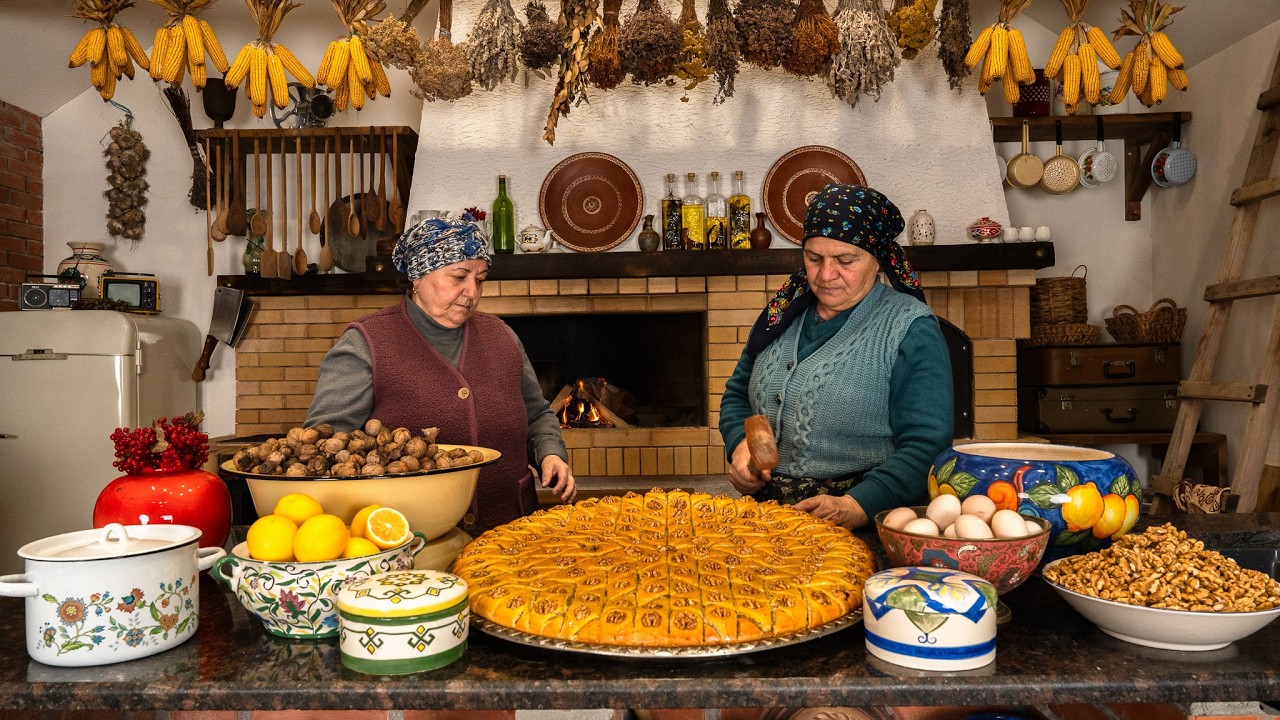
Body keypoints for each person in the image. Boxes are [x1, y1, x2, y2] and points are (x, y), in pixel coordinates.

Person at [306, 214, 576, 535]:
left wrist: (550, 454)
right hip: (411, 537)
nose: (472, 292)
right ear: (418, 276)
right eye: (459, 277)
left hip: (511, 529)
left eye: (480, 279)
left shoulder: (502, 335)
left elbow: (537, 414)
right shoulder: (365, 342)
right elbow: (328, 446)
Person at [719, 184, 953, 531]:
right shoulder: (781, 314)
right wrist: (742, 447)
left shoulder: (910, 328)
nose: (825, 275)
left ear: (877, 260)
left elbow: (927, 445)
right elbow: (739, 394)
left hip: (861, 522)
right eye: (814, 259)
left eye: (845, 260)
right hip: (766, 521)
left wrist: (856, 505)